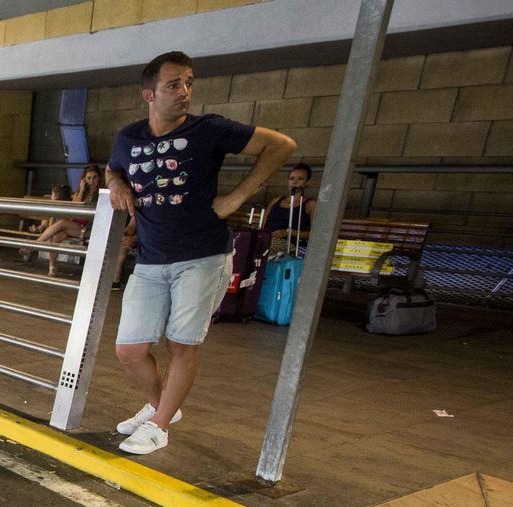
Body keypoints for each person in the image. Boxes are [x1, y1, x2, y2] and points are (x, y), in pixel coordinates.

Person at [105, 50, 296, 456]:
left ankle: (159, 425)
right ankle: (162, 407)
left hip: (202, 255)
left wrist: (239, 196)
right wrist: (116, 182)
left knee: (181, 344)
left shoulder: (208, 130)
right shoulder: (129, 137)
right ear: (149, 95)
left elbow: (281, 145)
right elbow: (114, 167)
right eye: (173, 85)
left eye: (189, 83)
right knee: (130, 349)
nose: (184, 92)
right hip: (152, 258)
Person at [33, 165, 104, 277]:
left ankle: (34, 245)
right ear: (84, 179)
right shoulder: (81, 193)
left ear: (99, 178)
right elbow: (74, 208)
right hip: (75, 225)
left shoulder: (102, 194)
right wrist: (81, 190)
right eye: (88, 178)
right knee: (55, 237)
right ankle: (52, 268)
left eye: (95, 178)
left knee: (61, 223)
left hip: (89, 228)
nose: (92, 181)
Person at [264, 162, 316, 256]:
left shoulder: (310, 204)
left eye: (300, 178)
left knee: (265, 246)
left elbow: (314, 233)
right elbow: (263, 222)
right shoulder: (276, 201)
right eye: (292, 178)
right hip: (267, 238)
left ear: (307, 182)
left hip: (289, 244)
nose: (295, 181)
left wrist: (288, 232)